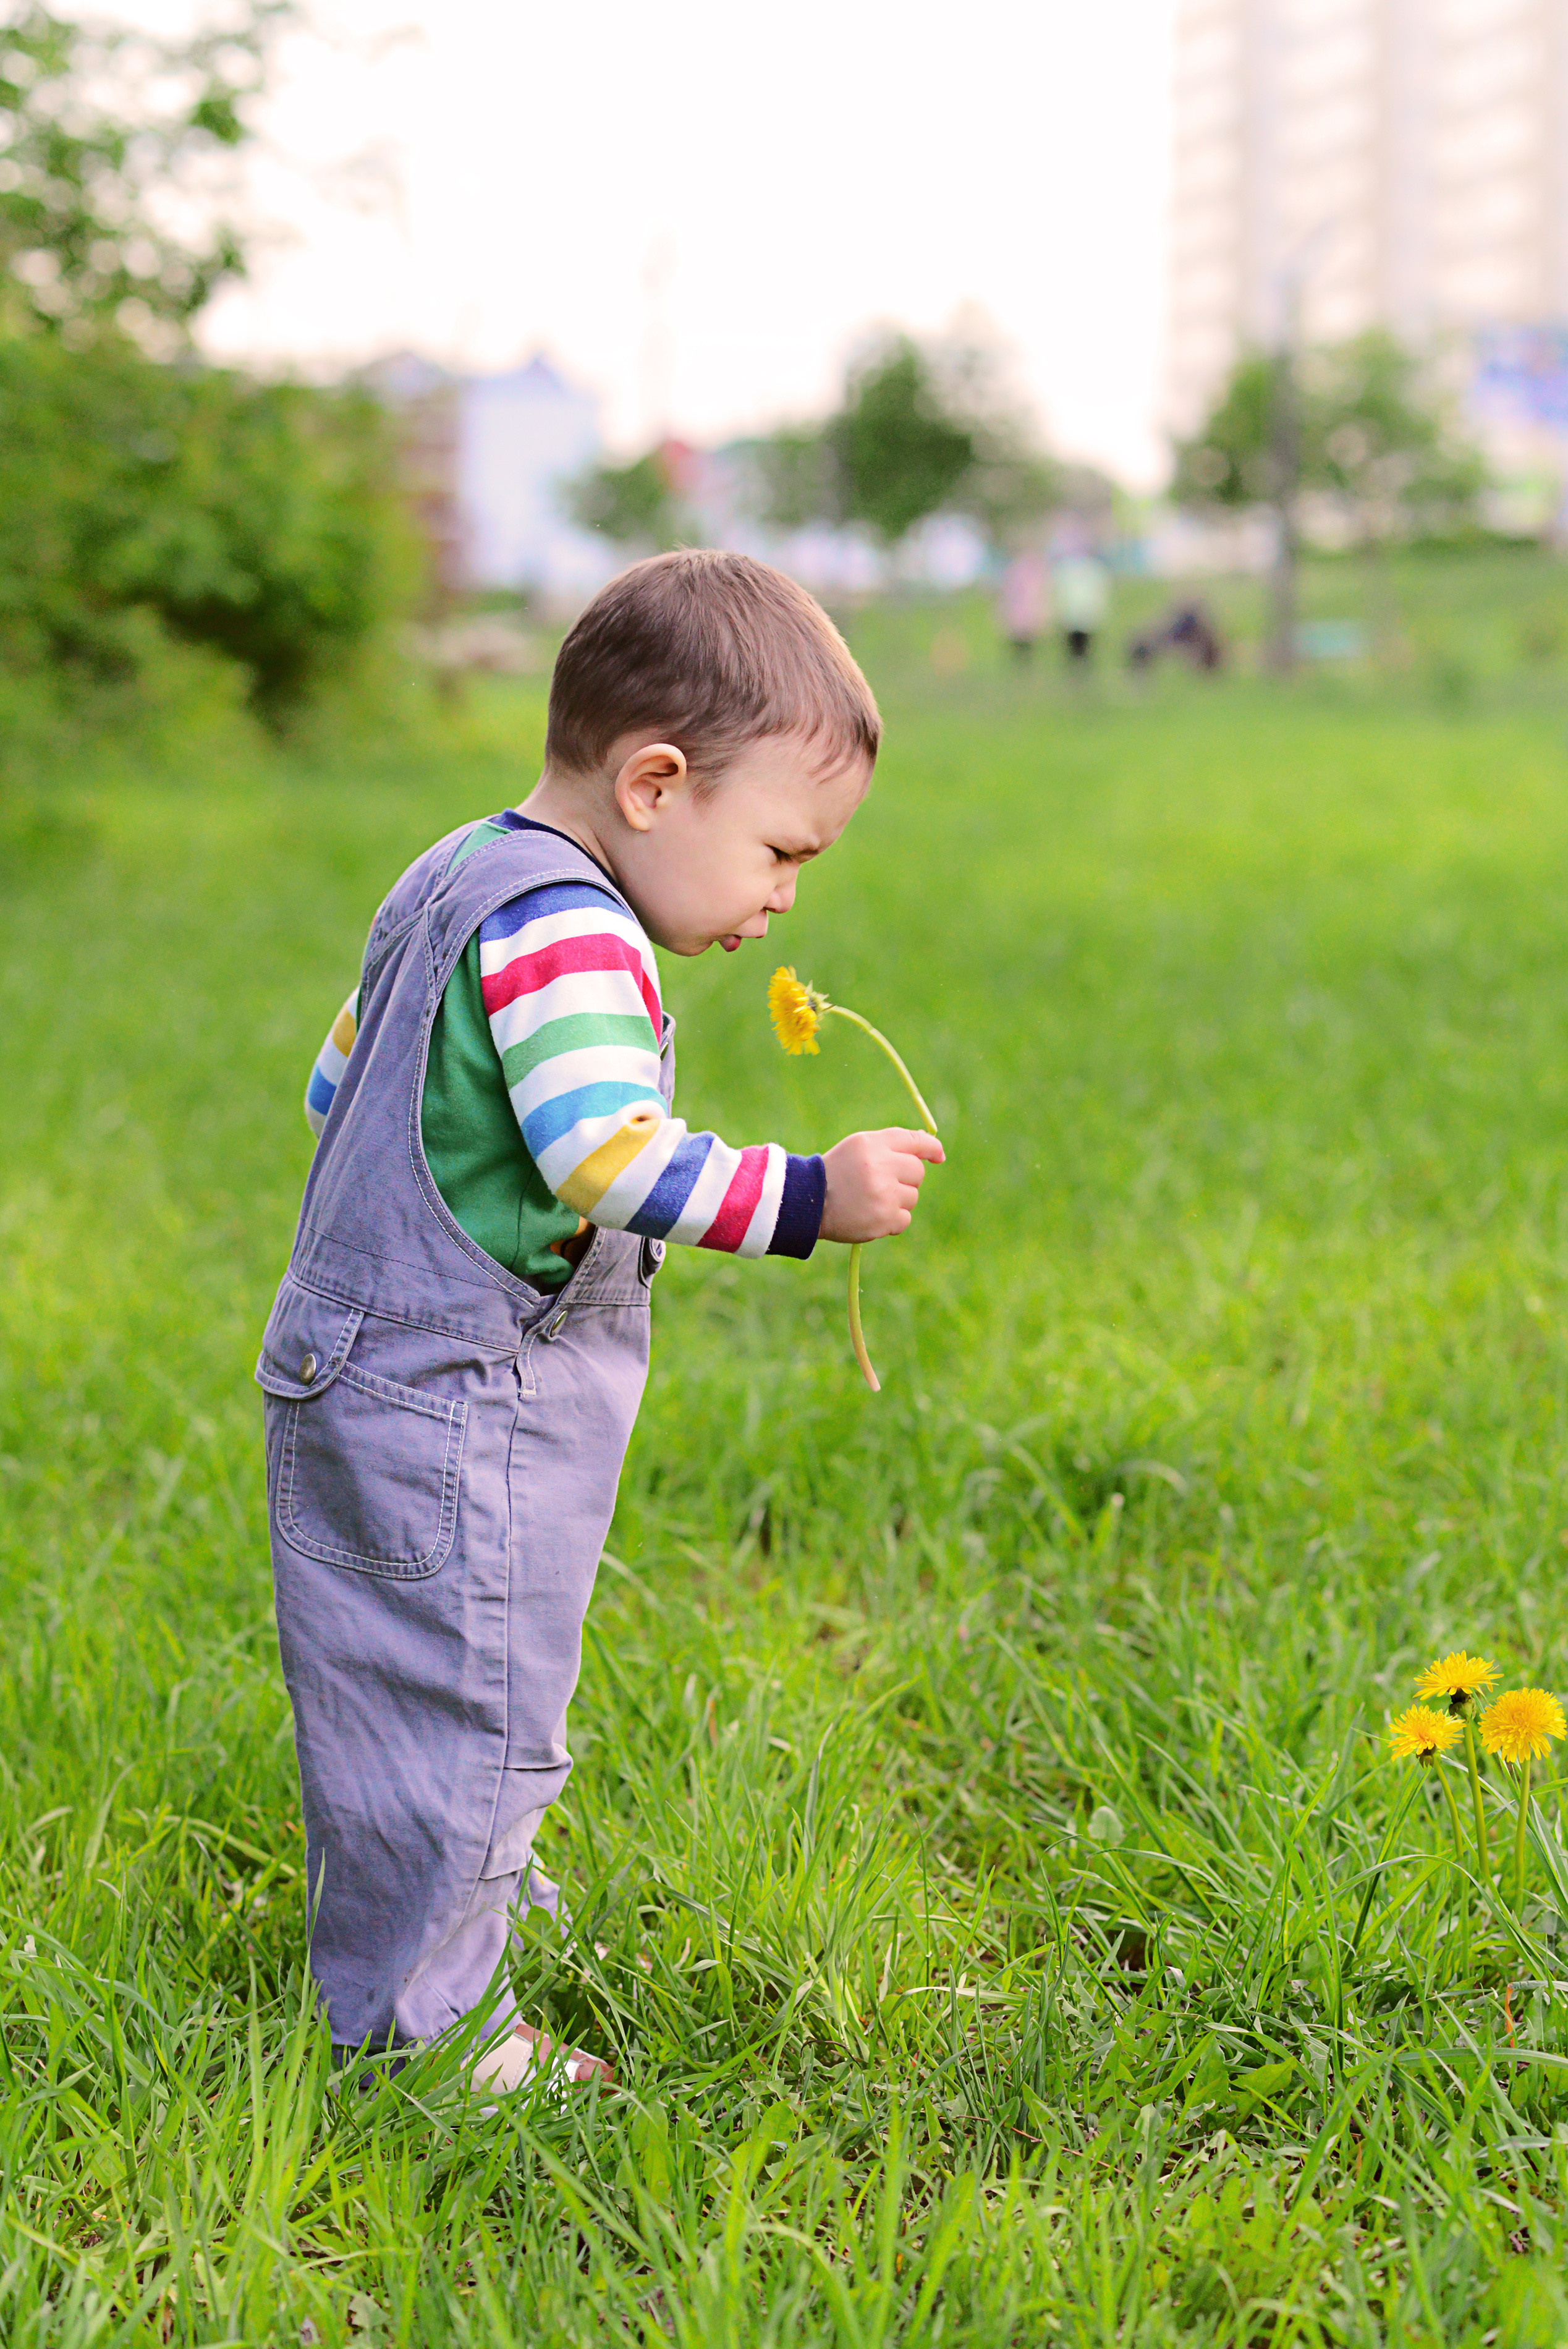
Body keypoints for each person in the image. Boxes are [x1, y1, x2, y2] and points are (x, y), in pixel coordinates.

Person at [261, 551, 944, 2090]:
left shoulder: (450, 870)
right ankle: (427, 2031)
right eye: (779, 849)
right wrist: (807, 1194)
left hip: (350, 1357)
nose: (783, 895)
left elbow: (334, 1085)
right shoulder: (572, 927)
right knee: (474, 1689)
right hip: (462, 1389)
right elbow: (602, 1155)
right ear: (653, 783)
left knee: (399, 1680)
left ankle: (454, 1904)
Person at [1053, 547, 1111, 667]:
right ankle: (1078, 666)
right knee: (1076, 646)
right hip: (1075, 614)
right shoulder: (1071, 569)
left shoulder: (1074, 568)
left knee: (1082, 646)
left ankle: (1080, 666)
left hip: (1083, 613)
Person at [997, 548, 1048, 666]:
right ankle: (1021, 663)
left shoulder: (1034, 573)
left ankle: (1025, 663)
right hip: (1020, 610)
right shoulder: (1014, 571)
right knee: (1019, 640)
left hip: (1027, 611)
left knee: (1027, 640)